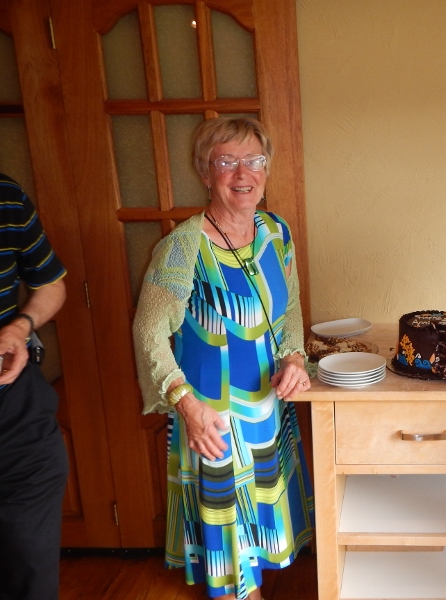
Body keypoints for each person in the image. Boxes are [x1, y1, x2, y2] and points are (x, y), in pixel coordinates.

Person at [132, 117, 314, 600]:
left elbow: (290, 306)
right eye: (226, 162)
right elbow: (148, 331)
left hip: (266, 409)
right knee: (232, 556)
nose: (242, 173)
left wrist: (295, 357)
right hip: (213, 415)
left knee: (259, 528)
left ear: (266, 168)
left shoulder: (276, 232)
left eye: (253, 160)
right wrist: (187, 406)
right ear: (205, 172)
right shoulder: (182, 247)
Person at [0, 173, 68, 600]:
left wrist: (20, 326)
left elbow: (50, 284)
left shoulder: (6, 196)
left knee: (30, 556)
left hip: (15, 405)